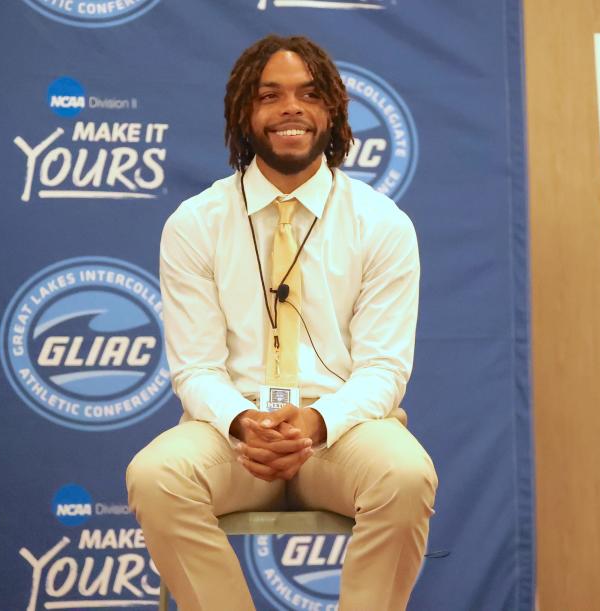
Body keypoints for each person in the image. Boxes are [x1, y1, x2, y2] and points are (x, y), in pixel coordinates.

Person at [127, 35, 437, 610]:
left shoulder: (382, 224)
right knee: (155, 476)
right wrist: (245, 422)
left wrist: (317, 422)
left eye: (309, 94)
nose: (290, 108)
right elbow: (195, 369)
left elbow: (383, 369)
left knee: (406, 475)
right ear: (244, 112)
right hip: (235, 435)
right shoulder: (195, 223)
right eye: (270, 95)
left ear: (333, 113)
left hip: (339, 431)